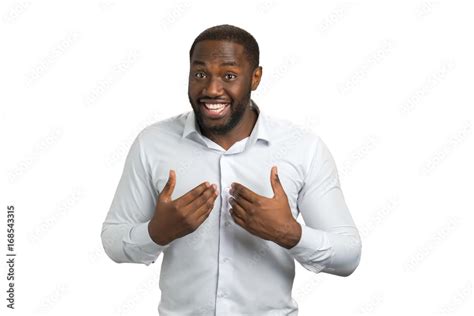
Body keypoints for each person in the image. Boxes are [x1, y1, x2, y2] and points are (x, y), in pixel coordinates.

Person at [101, 24, 362, 315]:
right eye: (200, 74)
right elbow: (113, 239)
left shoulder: (304, 148)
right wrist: (156, 232)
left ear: (255, 77)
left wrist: (290, 234)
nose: (212, 89)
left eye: (229, 75)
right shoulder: (152, 143)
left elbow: (348, 254)